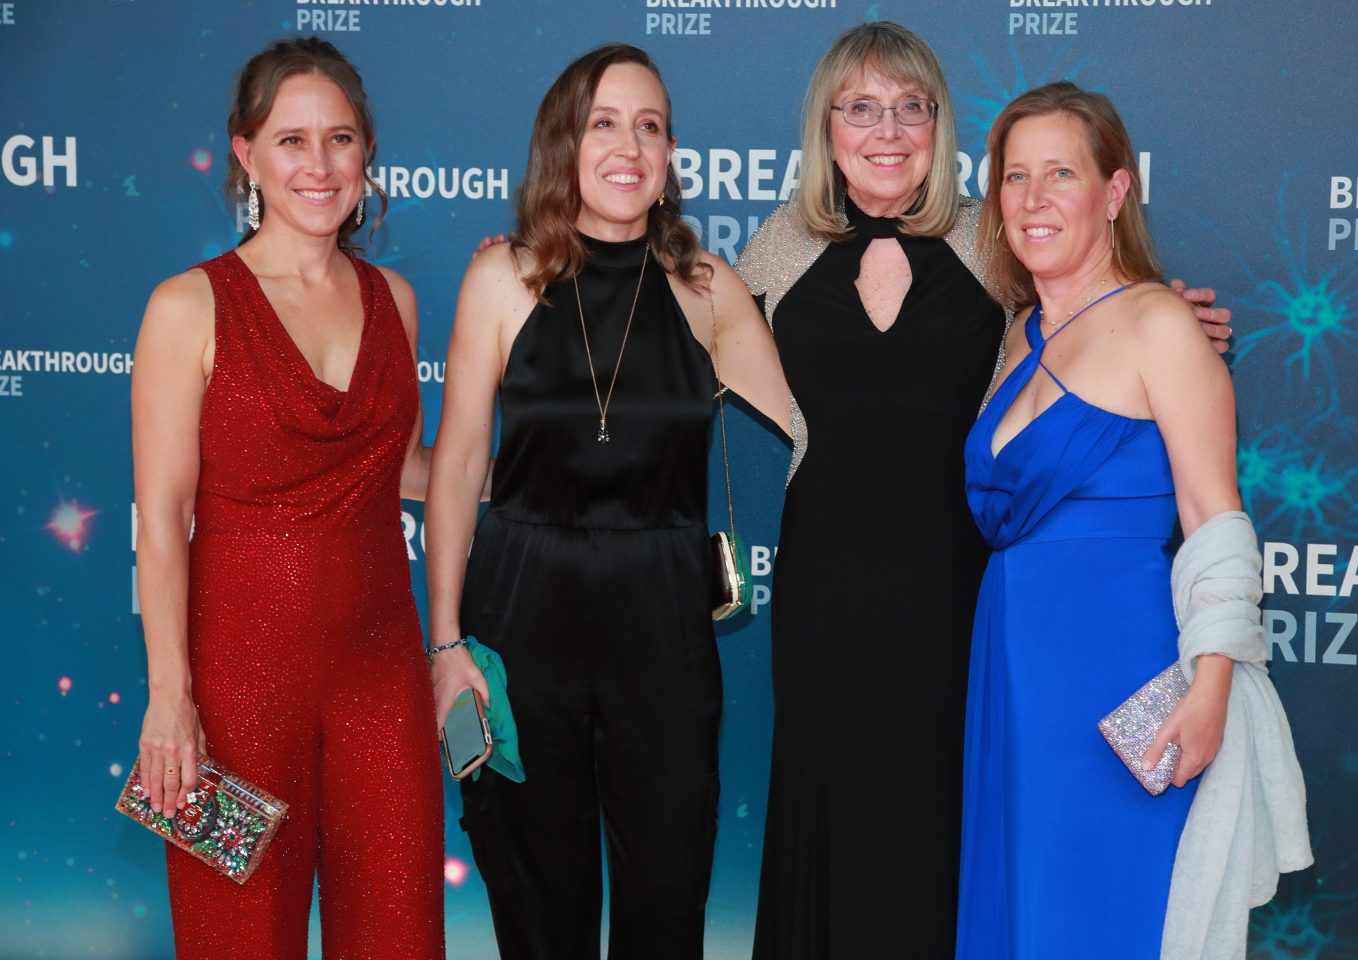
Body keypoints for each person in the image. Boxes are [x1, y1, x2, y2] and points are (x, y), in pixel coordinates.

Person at [734, 22, 1233, 960]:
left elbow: (1085, 311)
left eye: (911, 106)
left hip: (962, 598)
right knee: (827, 820)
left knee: (952, 823)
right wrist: (542, 255)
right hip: (822, 597)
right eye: (861, 108)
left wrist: (1167, 307)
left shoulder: (989, 238)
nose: (887, 129)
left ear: (940, 125)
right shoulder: (777, 249)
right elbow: (660, 316)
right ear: (825, 129)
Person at [423, 44, 790, 959]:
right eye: (605, 122)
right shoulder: (500, 279)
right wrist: (444, 643)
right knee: (536, 898)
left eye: (652, 125)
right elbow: (461, 465)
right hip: (518, 612)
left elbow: (834, 418)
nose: (630, 145)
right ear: (564, 144)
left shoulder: (710, 291)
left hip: (661, 620)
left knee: (667, 894)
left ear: (670, 156)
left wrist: (1060, 328)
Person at [956, 81, 1310, 959]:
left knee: (1103, 911)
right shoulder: (1016, 335)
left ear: (1114, 193)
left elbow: (1216, 521)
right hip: (1013, 671)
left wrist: (1213, 691)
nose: (1033, 200)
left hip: (1116, 677)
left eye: (1061, 174)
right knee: (1021, 909)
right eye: (1014, 177)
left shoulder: (1160, 324)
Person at [131, 37, 443, 959]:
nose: (319, 165)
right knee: (237, 941)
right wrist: (169, 699)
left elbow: (400, 471)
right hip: (229, 697)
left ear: (366, 153)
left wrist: (561, 470)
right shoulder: (186, 306)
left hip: (382, 682)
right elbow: (159, 518)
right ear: (246, 155)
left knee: (398, 935)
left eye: (340, 139)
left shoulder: (397, 299)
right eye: (291, 139)